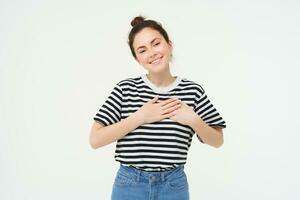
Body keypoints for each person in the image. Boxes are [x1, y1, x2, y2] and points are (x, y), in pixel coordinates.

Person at [89, 15, 226, 200]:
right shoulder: (125, 89)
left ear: (169, 45)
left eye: (156, 43)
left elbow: (218, 140)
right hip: (130, 185)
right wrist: (140, 117)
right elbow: (95, 140)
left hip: (173, 185)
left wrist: (194, 120)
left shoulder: (192, 91)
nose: (152, 53)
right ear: (138, 59)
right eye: (142, 50)